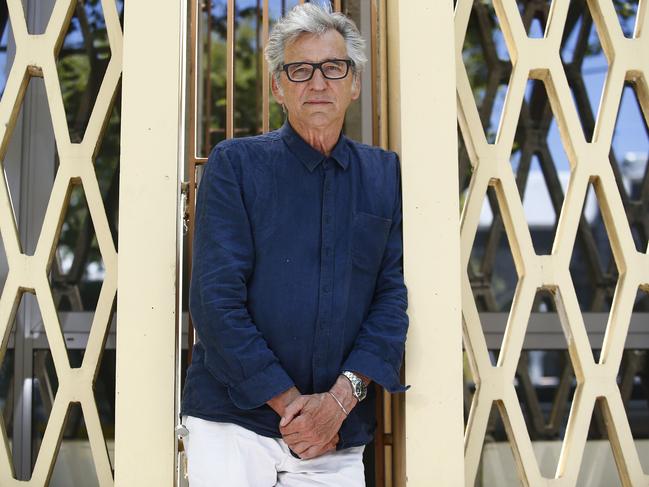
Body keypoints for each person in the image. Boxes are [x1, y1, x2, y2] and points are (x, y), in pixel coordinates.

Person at [180, 3, 408, 486]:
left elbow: (391, 301)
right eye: (300, 70)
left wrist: (337, 405)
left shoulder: (384, 175)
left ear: (355, 84)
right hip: (232, 424)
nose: (319, 82)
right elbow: (215, 301)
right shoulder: (236, 166)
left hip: (335, 434)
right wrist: (293, 406)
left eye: (334, 67)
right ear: (278, 87)